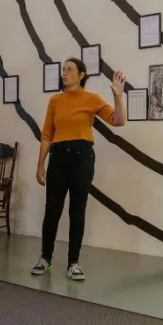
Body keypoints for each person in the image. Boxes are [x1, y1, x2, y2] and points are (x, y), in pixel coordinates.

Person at [31, 58, 127, 280]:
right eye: (63, 70)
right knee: (52, 209)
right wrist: (40, 164)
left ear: (81, 74)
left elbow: (118, 121)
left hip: (82, 158)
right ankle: (45, 257)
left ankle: (73, 262)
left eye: (69, 70)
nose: (64, 74)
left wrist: (118, 96)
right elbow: (47, 135)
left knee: (77, 210)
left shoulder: (91, 99)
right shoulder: (55, 101)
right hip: (58, 159)